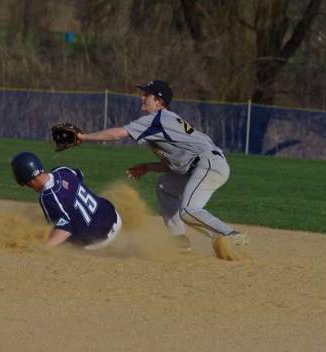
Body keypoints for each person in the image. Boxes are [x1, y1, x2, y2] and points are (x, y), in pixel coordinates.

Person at [77, 80, 248, 251]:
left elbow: (117, 134)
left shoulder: (157, 120)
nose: (142, 98)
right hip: (206, 165)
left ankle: (230, 234)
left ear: (158, 101)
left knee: (188, 210)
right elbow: (179, 163)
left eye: (146, 95)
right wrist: (148, 166)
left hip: (208, 164)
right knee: (164, 185)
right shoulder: (167, 120)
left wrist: (83, 137)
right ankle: (180, 239)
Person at [10, 152, 122, 249]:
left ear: (27, 182)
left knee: (61, 240)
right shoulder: (61, 170)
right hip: (114, 216)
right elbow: (79, 175)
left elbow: (65, 230)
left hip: (98, 241)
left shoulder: (47, 197)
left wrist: (43, 248)